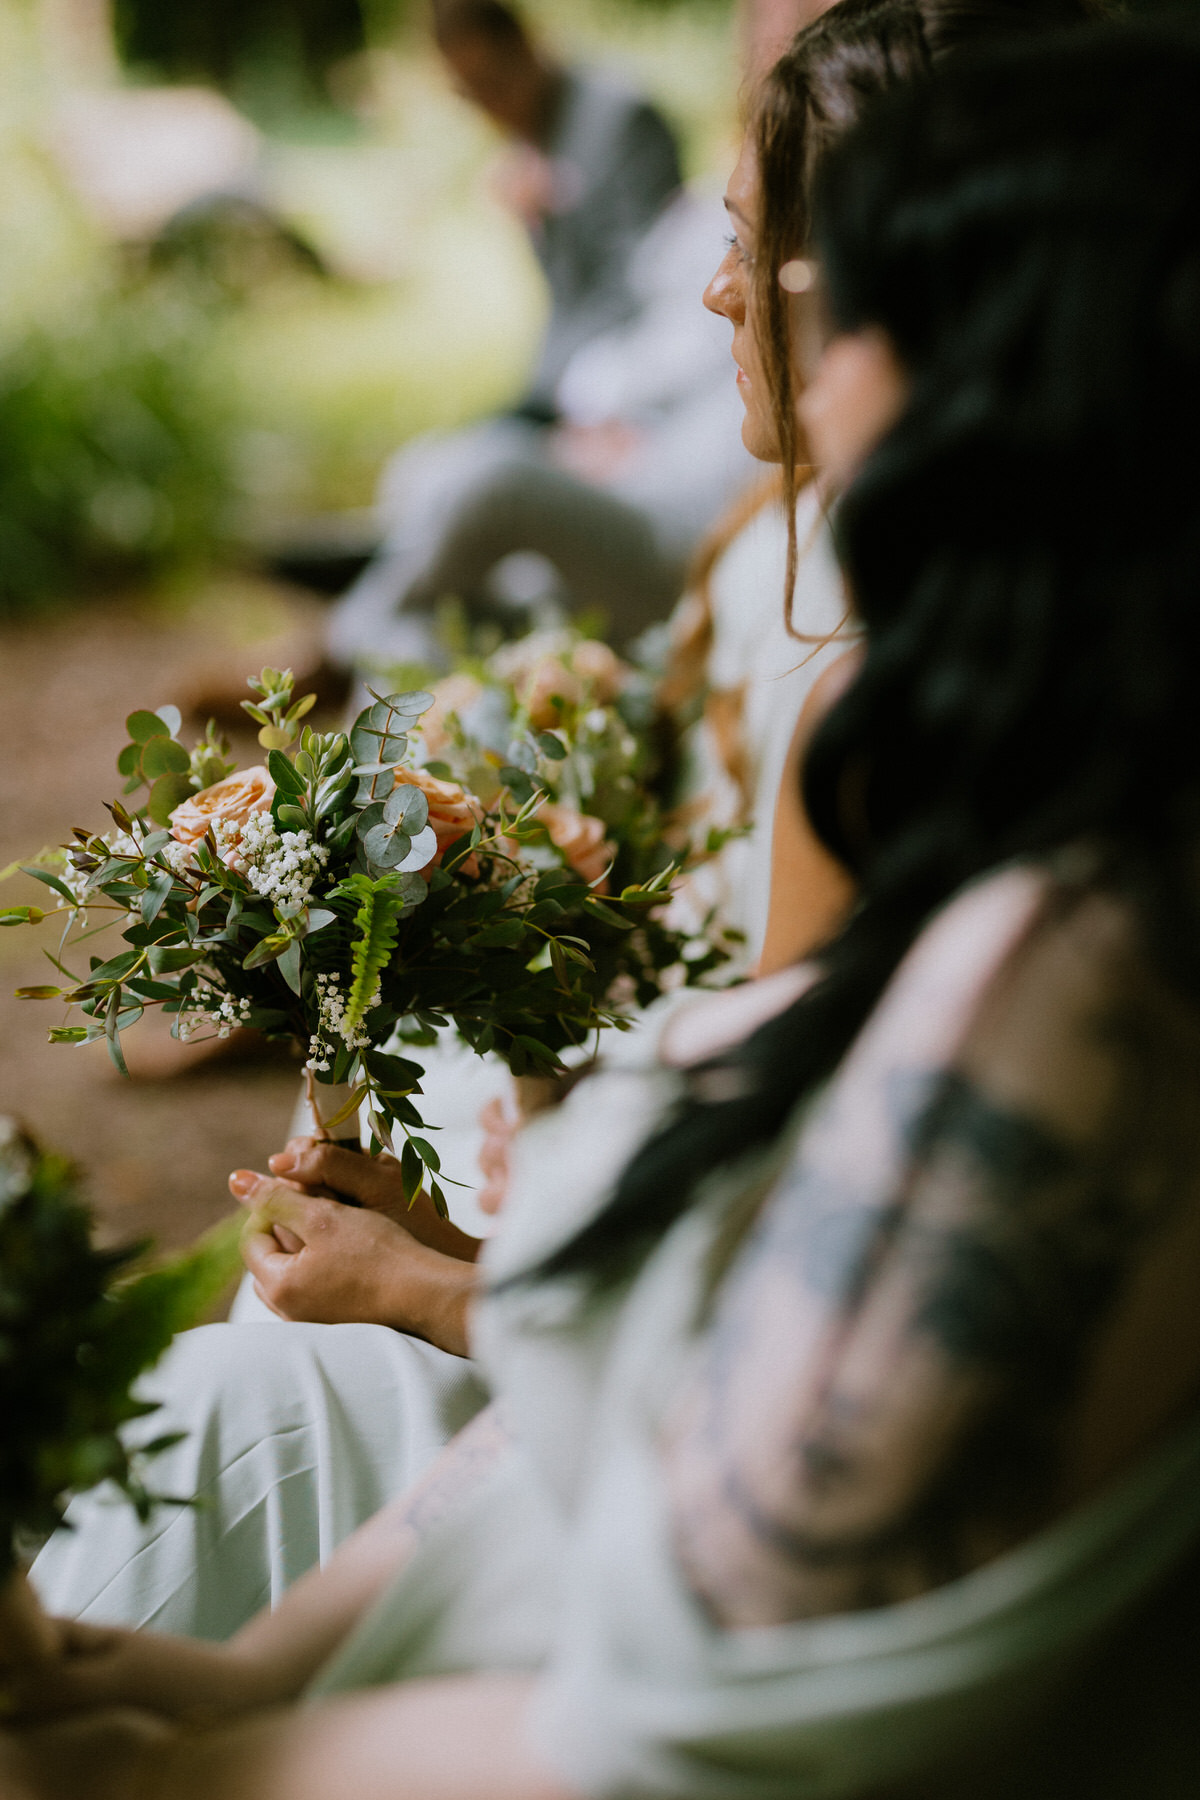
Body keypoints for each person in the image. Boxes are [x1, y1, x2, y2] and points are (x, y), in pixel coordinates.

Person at [12, 22, 1200, 1795]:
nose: (754, 304)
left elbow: (681, 1724)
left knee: (218, 1419)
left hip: (470, 1724)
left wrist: (151, 1770)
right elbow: (610, 1460)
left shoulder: (1076, 983)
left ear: (997, 376)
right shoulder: (1007, 887)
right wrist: (199, 1686)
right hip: (428, 1613)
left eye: (833, 284)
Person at [325, 0, 750, 671]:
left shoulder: (622, 120)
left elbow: (646, 294)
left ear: (526, 46)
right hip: (568, 381)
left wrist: (612, 414)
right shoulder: (531, 132)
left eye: (492, 83)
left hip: (617, 396)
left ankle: (345, 634)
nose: (487, 107)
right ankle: (384, 615)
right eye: (468, 94)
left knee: (474, 475)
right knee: (421, 471)